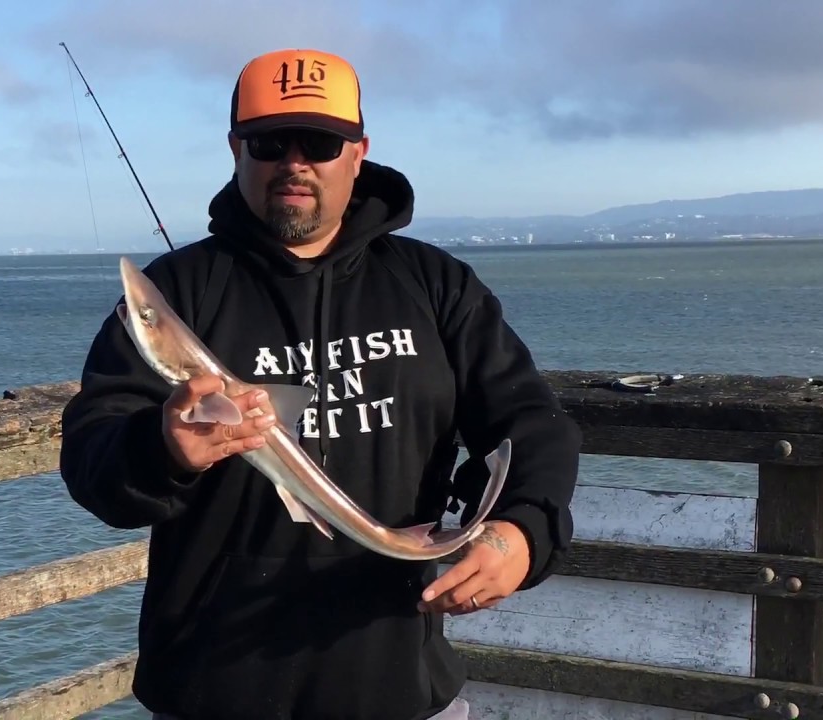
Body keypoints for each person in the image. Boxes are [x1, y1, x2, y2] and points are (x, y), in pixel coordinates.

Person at [60, 47, 581, 720]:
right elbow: (92, 457)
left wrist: (524, 531)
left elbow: (532, 423)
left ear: (359, 151)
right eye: (271, 141)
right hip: (213, 693)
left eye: (321, 142)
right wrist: (162, 449)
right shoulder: (178, 294)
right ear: (236, 148)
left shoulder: (434, 286)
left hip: (399, 686)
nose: (295, 162)